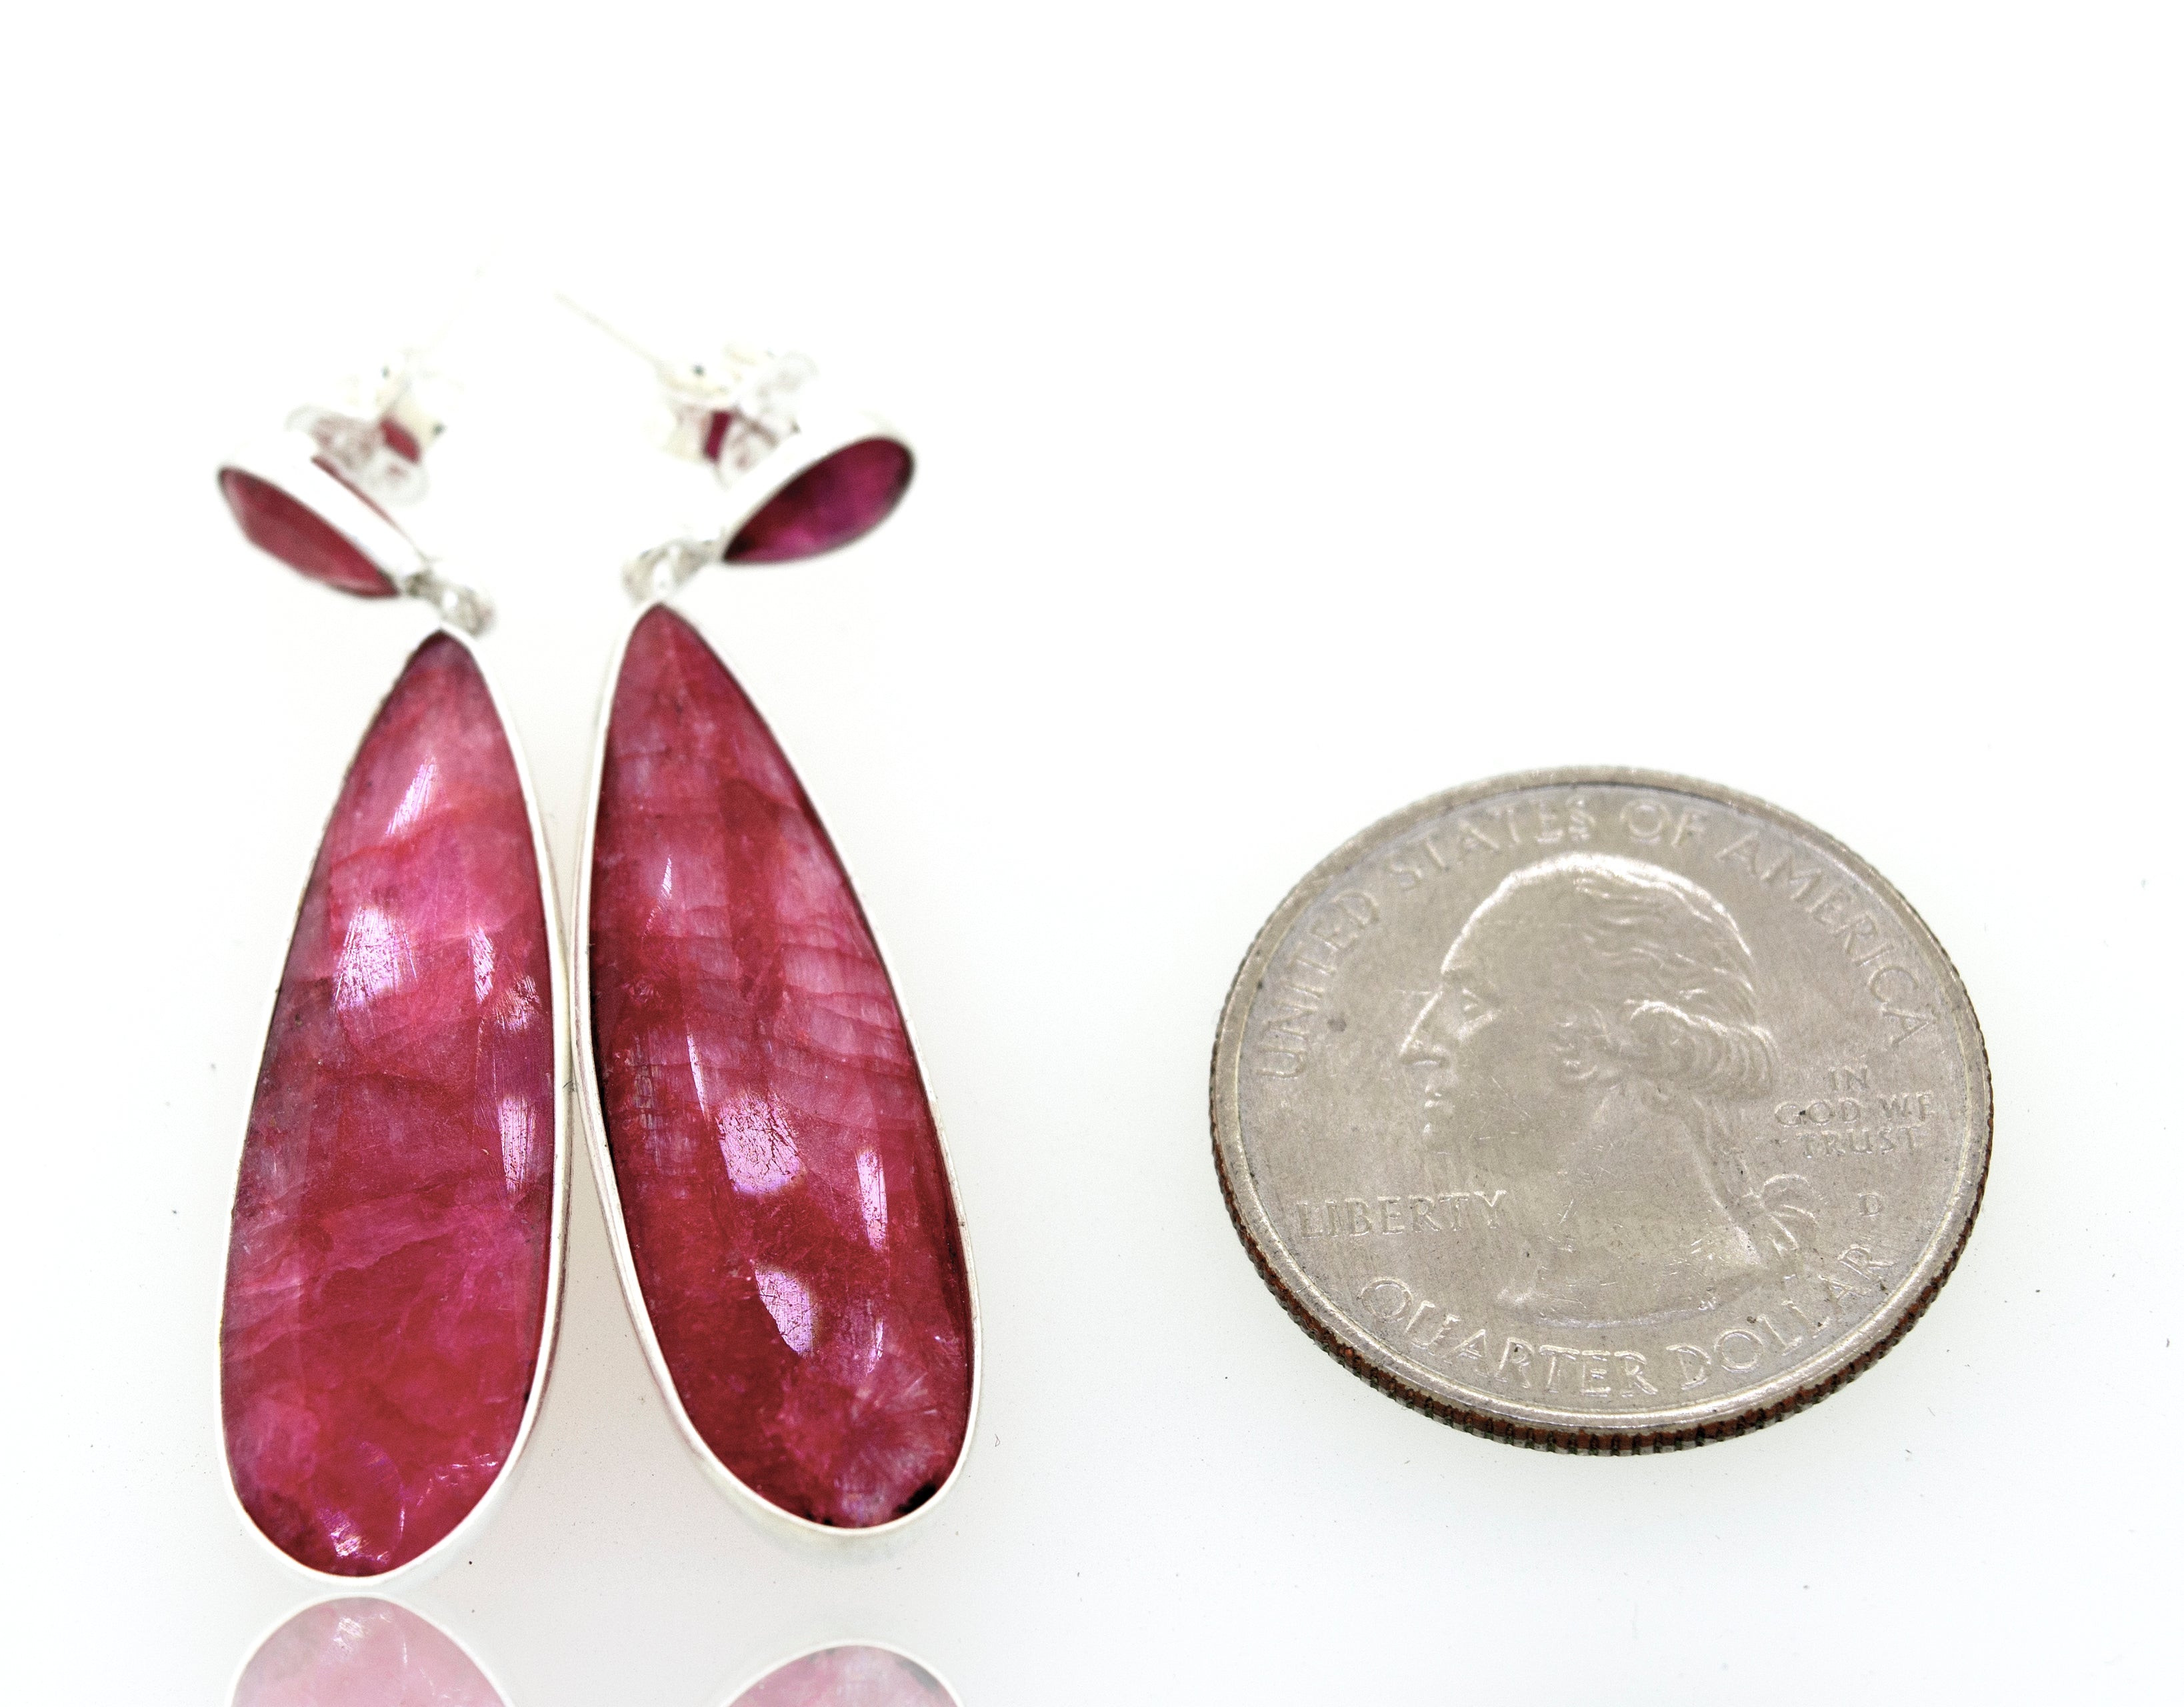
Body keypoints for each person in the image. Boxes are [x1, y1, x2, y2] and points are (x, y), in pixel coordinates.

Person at [1397, 851, 1806, 1328]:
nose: (1415, 1046)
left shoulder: (1673, 1282)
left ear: (1593, 1041)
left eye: (1470, 1003)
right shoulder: (1544, 1288)